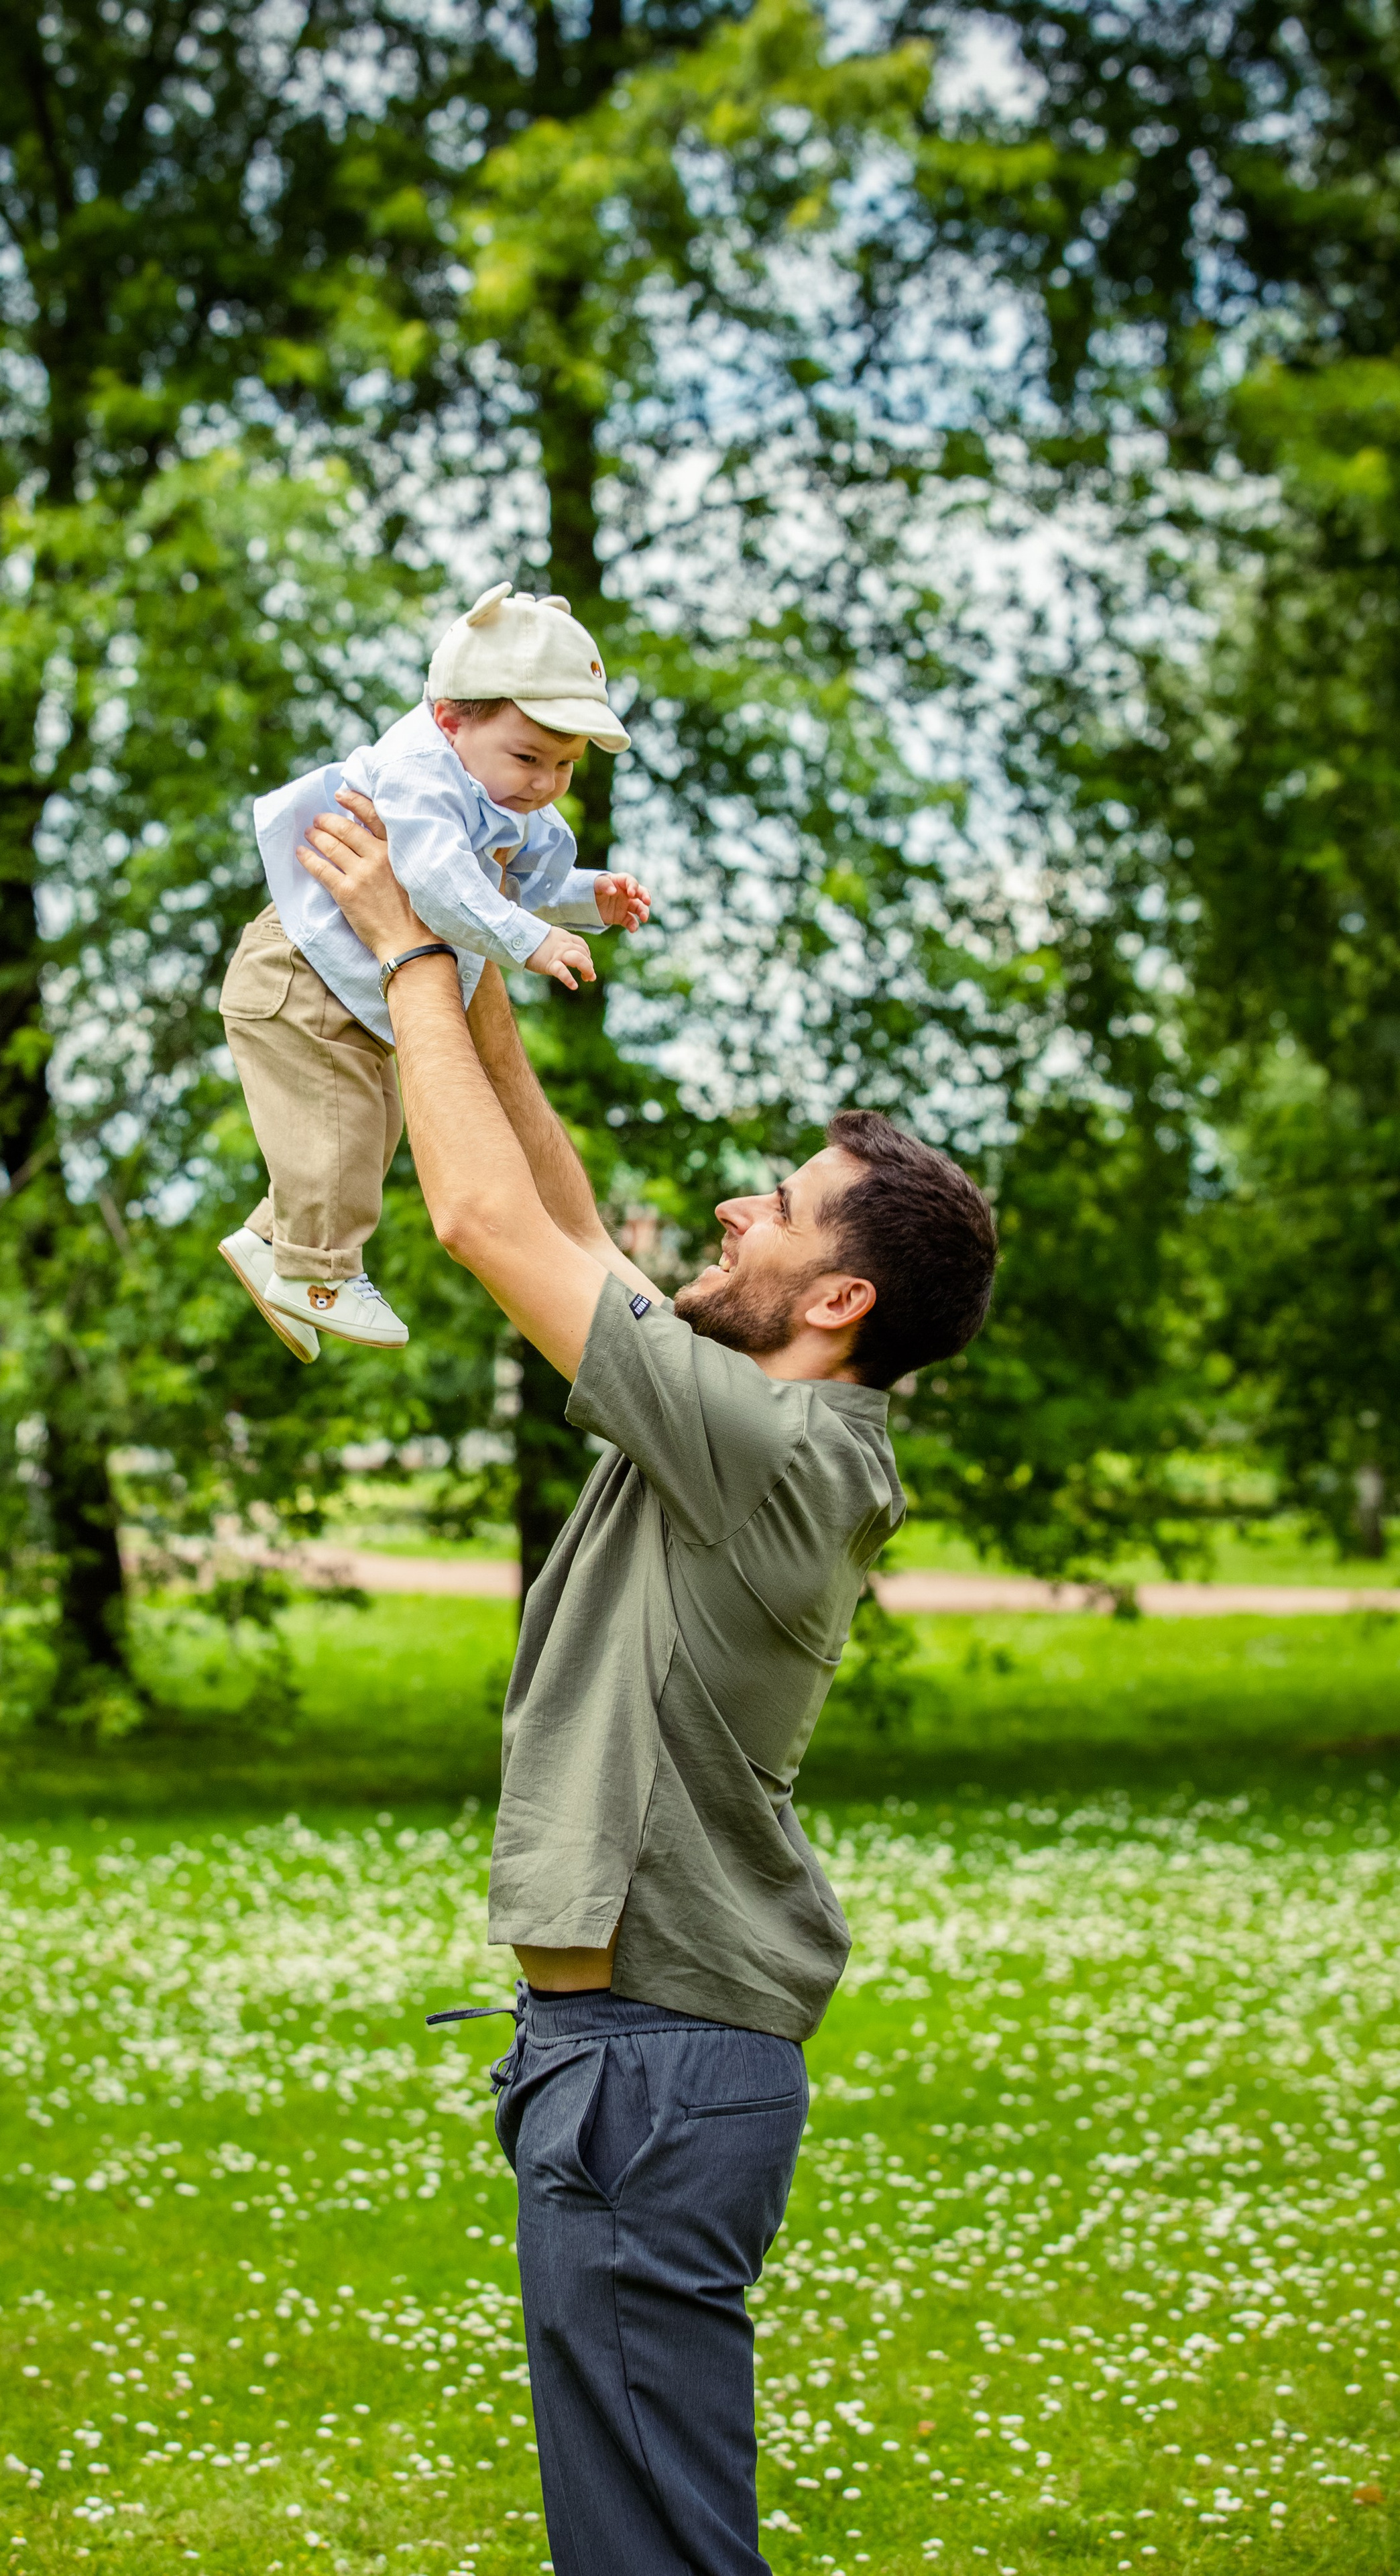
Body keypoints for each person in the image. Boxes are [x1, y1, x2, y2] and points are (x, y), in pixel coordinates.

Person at [293, 787, 999, 2576]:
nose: (734, 1212)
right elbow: (561, 1209)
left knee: (656, 2558)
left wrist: (401, 946)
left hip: (654, 2066)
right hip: (640, 2061)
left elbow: (475, 1218)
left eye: (777, 1209)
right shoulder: (752, 1421)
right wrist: (486, 952)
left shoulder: (773, 1447)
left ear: (834, 1301)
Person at [216, 583, 650, 1361]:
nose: (545, 782)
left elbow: (534, 878)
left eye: (565, 764)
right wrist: (531, 943)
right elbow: (440, 884)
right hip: (299, 972)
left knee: (368, 1127)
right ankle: (317, 1272)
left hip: (337, 988)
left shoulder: (504, 788)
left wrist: (593, 896)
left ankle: (273, 1243)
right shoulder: (422, 770)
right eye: (528, 757)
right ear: (451, 716)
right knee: (347, 1123)